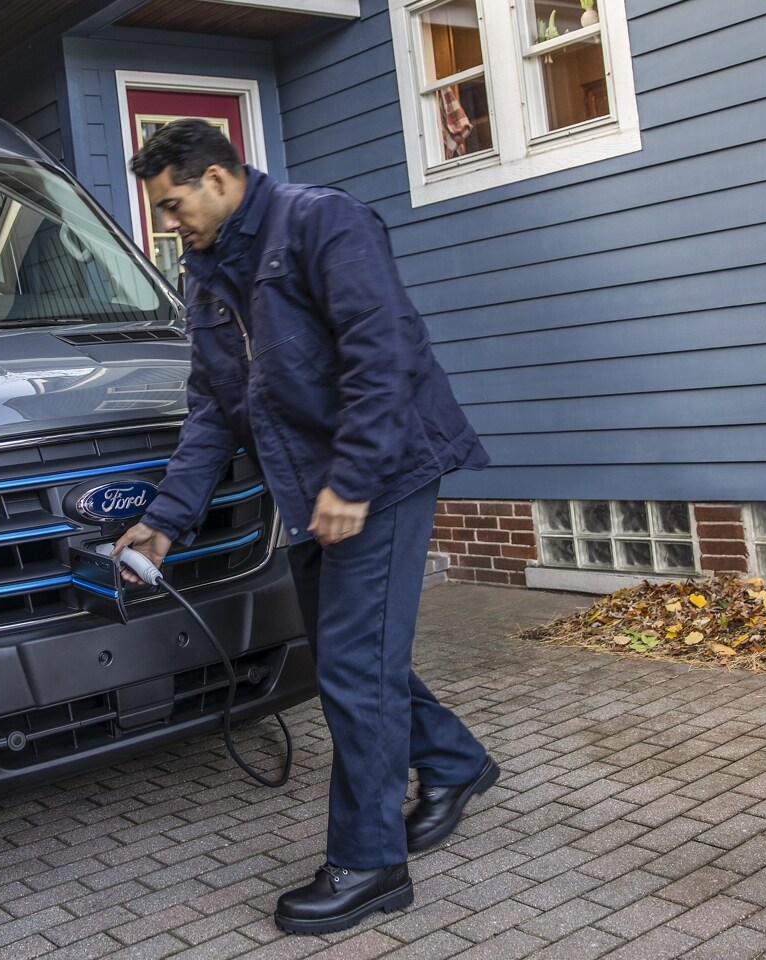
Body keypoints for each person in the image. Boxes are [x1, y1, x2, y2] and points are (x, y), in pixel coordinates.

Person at [114, 118, 497, 936]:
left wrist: (353, 479)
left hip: (383, 472)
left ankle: (369, 865)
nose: (169, 223)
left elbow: (382, 351)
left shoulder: (322, 222)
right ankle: (456, 762)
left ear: (218, 178)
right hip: (311, 489)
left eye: (175, 205)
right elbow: (214, 410)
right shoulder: (208, 272)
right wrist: (163, 523)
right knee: (347, 660)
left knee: (357, 669)